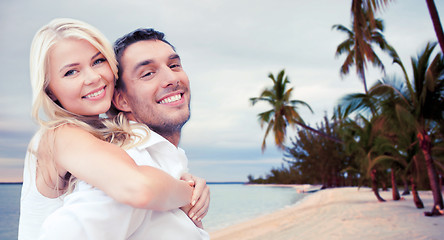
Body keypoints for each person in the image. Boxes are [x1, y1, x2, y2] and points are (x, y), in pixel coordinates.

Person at [19, 18, 209, 240]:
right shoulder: (60, 135)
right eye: (71, 72)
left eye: (98, 61)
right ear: (50, 91)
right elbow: (139, 187)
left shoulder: (108, 139)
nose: (93, 77)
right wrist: (189, 192)